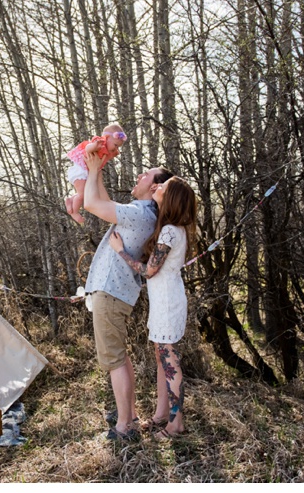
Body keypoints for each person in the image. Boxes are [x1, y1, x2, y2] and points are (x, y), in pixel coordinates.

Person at [82, 150, 174, 441]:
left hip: (111, 292)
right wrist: (96, 172)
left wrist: (95, 169)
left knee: (114, 359)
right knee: (118, 356)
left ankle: (125, 426)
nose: (139, 176)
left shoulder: (139, 214)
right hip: (113, 291)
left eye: (145, 174)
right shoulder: (141, 213)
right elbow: (105, 203)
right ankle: (130, 415)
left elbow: (91, 204)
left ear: (153, 188)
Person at [109, 176, 197, 440]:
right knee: (164, 358)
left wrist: (121, 251)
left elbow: (148, 271)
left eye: (164, 187)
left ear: (172, 198)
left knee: (169, 362)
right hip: (165, 300)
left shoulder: (170, 230)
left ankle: (176, 424)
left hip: (167, 302)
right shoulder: (172, 228)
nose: (157, 187)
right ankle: (163, 416)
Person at [65, 123, 127, 223]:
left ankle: (71, 200)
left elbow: (104, 159)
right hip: (80, 171)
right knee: (83, 194)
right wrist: (94, 146)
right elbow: (87, 148)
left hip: (86, 171)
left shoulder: (107, 150)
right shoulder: (100, 142)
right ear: (106, 137)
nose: (116, 149)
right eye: (115, 145)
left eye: (118, 147)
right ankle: (74, 212)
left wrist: (114, 152)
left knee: (84, 192)